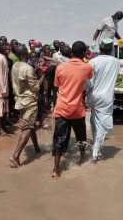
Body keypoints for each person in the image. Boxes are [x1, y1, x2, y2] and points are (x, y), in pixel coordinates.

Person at [52, 41, 93, 178]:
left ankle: (56, 170)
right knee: (81, 137)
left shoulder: (60, 67)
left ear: (71, 53)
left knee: (58, 139)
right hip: (77, 109)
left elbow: (57, 85)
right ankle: (82, 160)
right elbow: (89, 79)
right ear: (83, 54)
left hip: (62, 108)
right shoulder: (86, 67)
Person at [84, 39, 120, 162]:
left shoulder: (92, 61)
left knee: (94, 121)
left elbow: (88, 82)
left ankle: (96, 145)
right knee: (100, 126)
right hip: (106, 98)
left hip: (93, 96)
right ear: (111, 49)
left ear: (100, 48)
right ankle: (95, 154)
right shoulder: (116, 62)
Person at [9, 46, 45, 168]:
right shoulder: (28, 68)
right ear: (25, 53)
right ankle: (16, 155)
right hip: (29, 101)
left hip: (19, 100)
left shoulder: (15, 65)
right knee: (27, 127)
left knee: (30, 124)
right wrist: (44, 75)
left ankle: (36, 148)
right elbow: (35, 87)